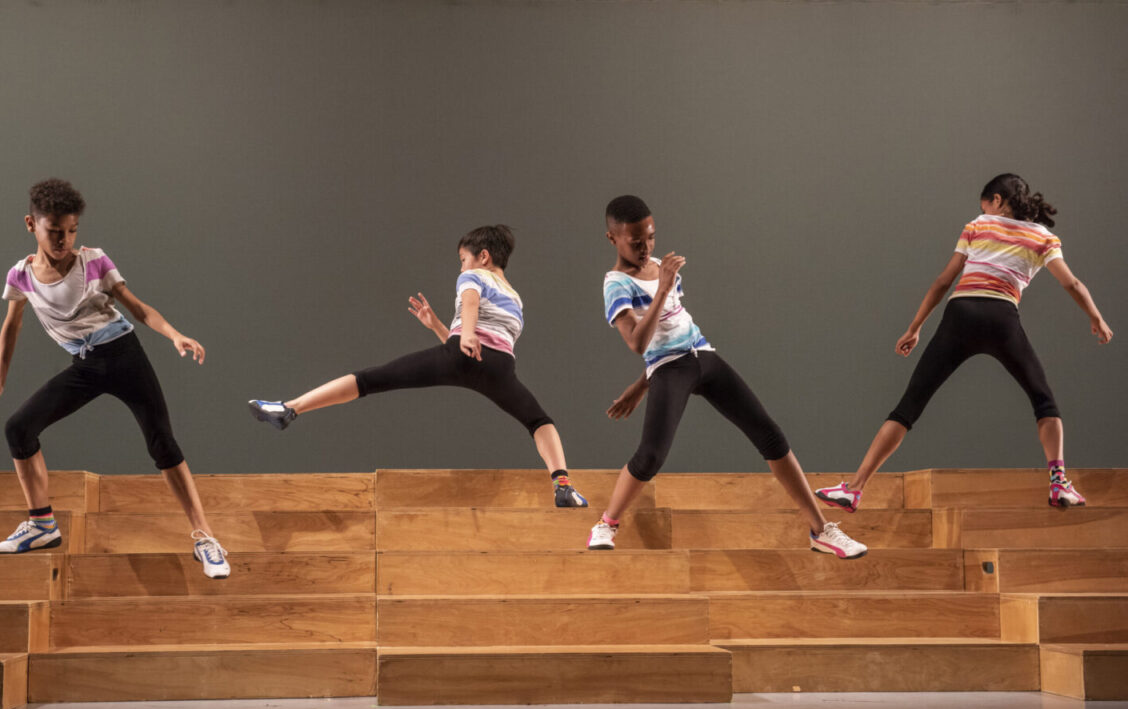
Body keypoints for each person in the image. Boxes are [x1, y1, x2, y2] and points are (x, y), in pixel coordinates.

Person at [0, 179, 229, 578]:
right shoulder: (20, 275)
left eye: (71, 231)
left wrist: (175, 335)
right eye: (54, 231)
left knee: (162, 443)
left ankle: (205, 538)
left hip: (124, 355)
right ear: (31, 224)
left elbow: (138, 308)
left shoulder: (94, 261)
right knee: (18, 429)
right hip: (85, 365)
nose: (64, 240)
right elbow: (12, 326)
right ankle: (42, 525)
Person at [816, 174, 1113, 513]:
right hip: (1002, 317)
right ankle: (1059, 483)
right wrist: (1096, 317)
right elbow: (1072, 283)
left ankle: (854, 489)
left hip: (960, 314)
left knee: (908, 406)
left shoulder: (978, 224)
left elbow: (944, 280)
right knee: (1044, 402)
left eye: (985, 203)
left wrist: (915, 327)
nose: (983, 209)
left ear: (997, 201)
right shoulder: (1043, 236)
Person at [588, 195, 866, 557]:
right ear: (613, 239)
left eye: (651, 238)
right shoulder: (616, 283)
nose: (646, 248)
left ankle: (821, 530)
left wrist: (640, 386)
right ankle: (607, 523)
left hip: (702, 354)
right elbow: (640, 343)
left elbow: (673, 324)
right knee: (652, 456)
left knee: (769, 434)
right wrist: (662, 291)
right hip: (670, 368)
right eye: (636, 242)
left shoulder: (662, 267)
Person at [248, 225, 588, 507]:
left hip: (462, 352)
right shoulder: (515, 297)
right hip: (499, 368)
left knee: (371, 379)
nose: (461, 267)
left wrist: (465, 333)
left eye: (462, 260)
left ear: (482, 257)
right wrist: (439, 326)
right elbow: (488, 340)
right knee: (539, 420)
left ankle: (290, 408)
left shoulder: (474, 277)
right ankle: (562, 484)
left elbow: (469, 306)